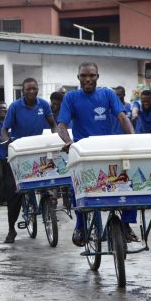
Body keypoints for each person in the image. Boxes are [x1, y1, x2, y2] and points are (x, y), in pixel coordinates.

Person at [57, 62, 136, 246]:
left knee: (127, 182)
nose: (88, 79)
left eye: (92, 75)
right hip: (83, 152)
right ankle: (81, 226)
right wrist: (68, 142)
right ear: (78, 78)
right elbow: (61, 125)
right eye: (84, 76)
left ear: (97, 77)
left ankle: (126, 225)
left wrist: (133, 138)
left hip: (107, 149)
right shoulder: (71, 98)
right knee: (75, 188)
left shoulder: (107, 94)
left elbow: (122, 117)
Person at [1, 78, 57, 243]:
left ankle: (47, 206)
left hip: (39, 150)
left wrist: (55, 137)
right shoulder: (15, 107)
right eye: (28, 89)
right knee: (14, 192)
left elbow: (53, 124)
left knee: (48, 180)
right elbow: (5, 128)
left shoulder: (44, 105)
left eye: (34, 89)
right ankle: (11, 229)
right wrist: (6, 141)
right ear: (23, 90)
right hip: (21, 152)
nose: (32, 92)